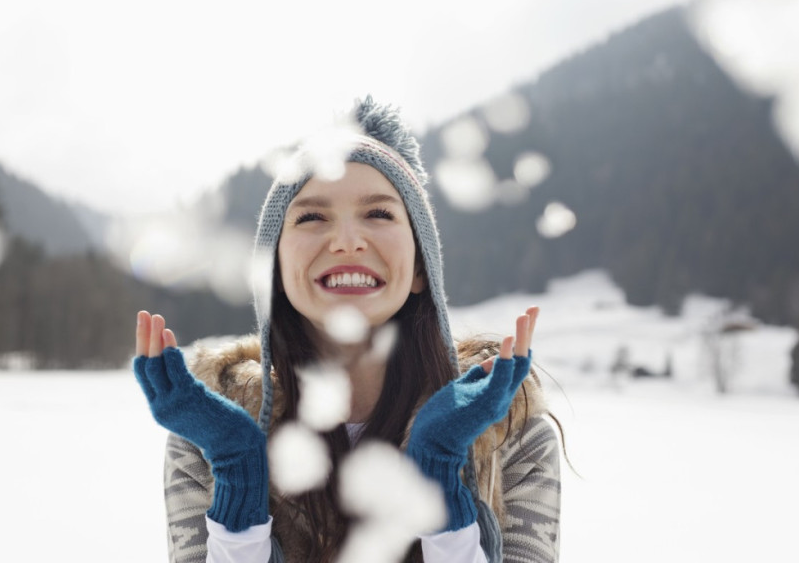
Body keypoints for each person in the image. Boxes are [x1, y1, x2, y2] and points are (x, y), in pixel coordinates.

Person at [133, 96, 561, 563]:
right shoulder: (205, 437)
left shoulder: (507, 431)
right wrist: (238, 478)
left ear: (421, 268)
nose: (347, 241)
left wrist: (441, 482)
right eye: (312, 216)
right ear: (274, 271)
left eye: (379, 214)